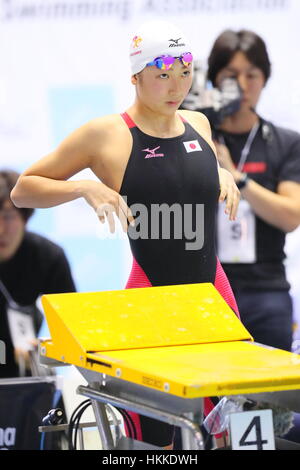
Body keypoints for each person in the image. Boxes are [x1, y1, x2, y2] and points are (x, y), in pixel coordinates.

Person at [11, 21, 240, 449]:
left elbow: (185, 176)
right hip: (151, 295)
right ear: (136, 77)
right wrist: (84, 186)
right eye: (163, 75)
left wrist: (221, 172)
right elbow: (24, 190)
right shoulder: (107, 134)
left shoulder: (199, 125)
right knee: (157, 440)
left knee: (226, 425)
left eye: (185, 73)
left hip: (213, 292)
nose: (177, 86)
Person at [206, 29, 300, 352]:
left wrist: (237, 178)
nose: (243, 86)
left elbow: (291, 215)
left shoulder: (285, 142)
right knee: (208, 400)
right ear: (214, 79)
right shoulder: (194, 139)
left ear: (265, 78)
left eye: (252, 75)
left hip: (266, 290)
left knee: (275, 401)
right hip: (208, 290)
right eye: (231, 75)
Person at [0, 169, 76, 378]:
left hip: (25, 363)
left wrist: (45, 349)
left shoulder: (47, 255)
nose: (1, 230)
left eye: (7, 217)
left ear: (25, 217)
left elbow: (72, 327)